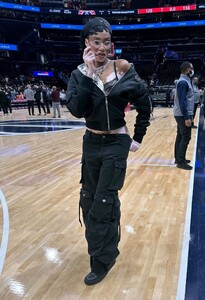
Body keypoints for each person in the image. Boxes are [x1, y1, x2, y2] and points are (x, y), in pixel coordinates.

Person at [66, 17, 151, 285]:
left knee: (103, 201)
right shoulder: (79, 74)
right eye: (96, 42)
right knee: (90, 199)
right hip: (91, 143)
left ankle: (101, 260)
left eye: (106, 42)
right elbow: (78, 110)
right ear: (87, 44)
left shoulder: (123, 68)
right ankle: (106, 247)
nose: (102, 47)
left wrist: (137, 136)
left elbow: (144, 102)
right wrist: (90, 75)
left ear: (111, 44)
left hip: (116, 143)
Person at [173, 61, 195, 170]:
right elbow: (182, 102)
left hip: (180, 113)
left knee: (180, 135)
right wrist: (187, 117)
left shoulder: (185, 81)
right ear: (187, 69)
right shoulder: (183, 82)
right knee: (186, 136)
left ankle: (178, 158)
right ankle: (180, 161)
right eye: (191, 68)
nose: (192, 70)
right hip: (182, 114)